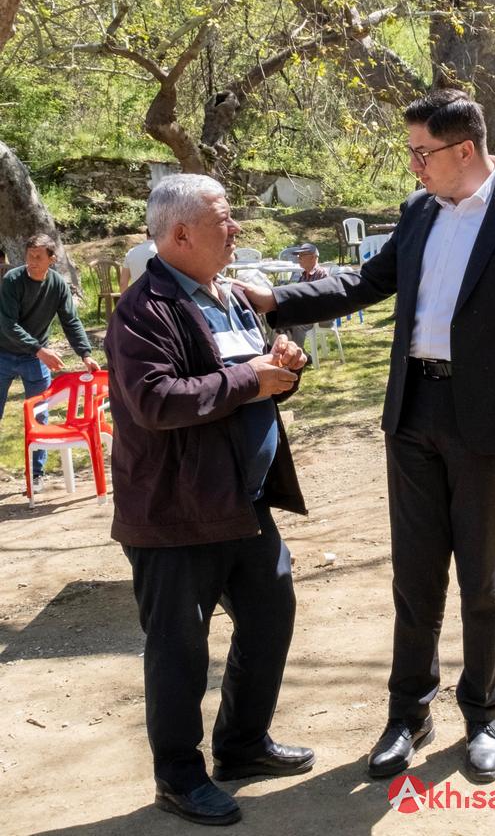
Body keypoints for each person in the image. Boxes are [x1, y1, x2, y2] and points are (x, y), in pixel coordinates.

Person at [239, 89, 495, 783]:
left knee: (480, 578)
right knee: (414, 577)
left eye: (423, 153)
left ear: (464, 149)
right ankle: (408, 714)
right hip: (413, 412)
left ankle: (482, 714)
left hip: (488, 423)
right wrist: (278, 299)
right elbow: (367, 283)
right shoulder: (419, 210)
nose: (414, 166)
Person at [104, 174, 313, 826]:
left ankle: (243, 746)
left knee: (270, 618)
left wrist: (281, 368)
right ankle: (178, 777)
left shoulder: (229, 295)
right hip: (175, 512)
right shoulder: (144, 310)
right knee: (179, 649)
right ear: (181, 234)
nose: (236, 228)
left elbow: (248, 377)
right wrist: (250, 379)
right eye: (223, 219)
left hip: (241, 503)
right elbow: (156, 400)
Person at [0, 234, 100, 491]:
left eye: (38, 257)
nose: (32, 261)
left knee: (39, 416)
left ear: (51, 259)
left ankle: (36, 475)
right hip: (4, 353)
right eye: (29, 256)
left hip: (35, 359)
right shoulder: (12, 280)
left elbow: (71, 321)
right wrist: (39, 350)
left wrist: (85, 354)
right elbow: (8, 324)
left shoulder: (57, 285)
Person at [279, 243, 333, 350]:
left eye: (302, 256)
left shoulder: (321, 274)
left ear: (313, 257)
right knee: (280, 321)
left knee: (298, 324)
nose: (298, 259)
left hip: (323, 316)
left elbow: (320, 302)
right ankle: (286, 352)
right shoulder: (304, 275)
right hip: (308, 313)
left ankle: (295, 354)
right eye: (298, 256)